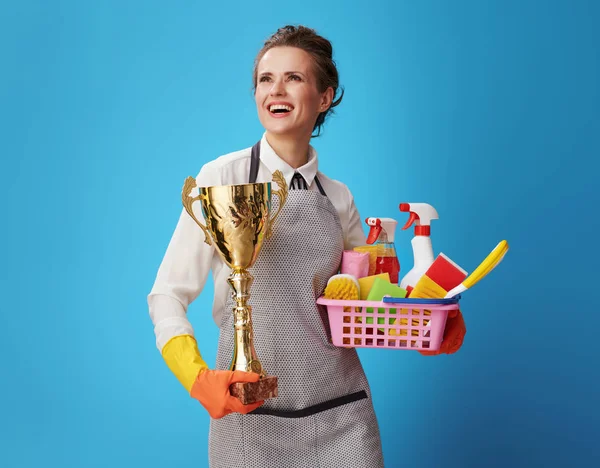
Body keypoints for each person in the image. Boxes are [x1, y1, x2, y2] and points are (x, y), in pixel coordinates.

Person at [148, 24, 465, 468]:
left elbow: (366, 302)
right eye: (265, 79)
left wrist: (428, 321)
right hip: (250, 420)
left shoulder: (338, 198)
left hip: (342, 414)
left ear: (324, 97)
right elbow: (167, 294)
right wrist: (195, 375)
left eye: (293, 78)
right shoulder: (221, 179)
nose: (275, 90)